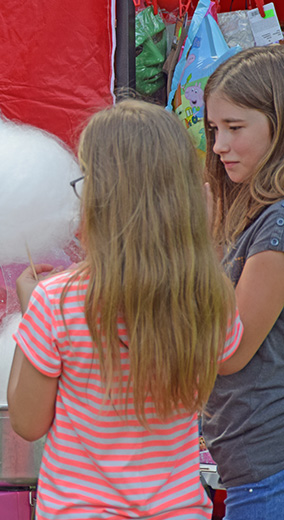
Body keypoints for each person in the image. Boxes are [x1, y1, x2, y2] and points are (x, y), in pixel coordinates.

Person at [7, 99, 245, 519]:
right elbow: (224, 360)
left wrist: (32, 320)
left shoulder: (57, 300)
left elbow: (27, 423)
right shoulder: (212, 298)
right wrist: (206, 249)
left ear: (100, 197)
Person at [201, 44, 284, 519]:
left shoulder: (277, 225)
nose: (218, 146)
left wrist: (199, 248)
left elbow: (229, 350)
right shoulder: (252, 211)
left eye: (235, 128)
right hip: (249, 467)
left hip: (269, 470)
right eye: (214, 129)